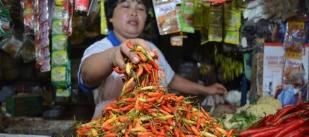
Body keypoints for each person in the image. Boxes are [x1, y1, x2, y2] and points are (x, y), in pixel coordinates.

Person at [78, 0, 227, 119]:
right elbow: (87, 74)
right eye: (126, 6)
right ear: (110, 16)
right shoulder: (100, 48)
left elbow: (172, 80)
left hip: (154, 127)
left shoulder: (150, 47)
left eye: (141, 8)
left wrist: (206, 90)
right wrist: (113, 55)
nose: (134, 13)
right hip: (111, 127)